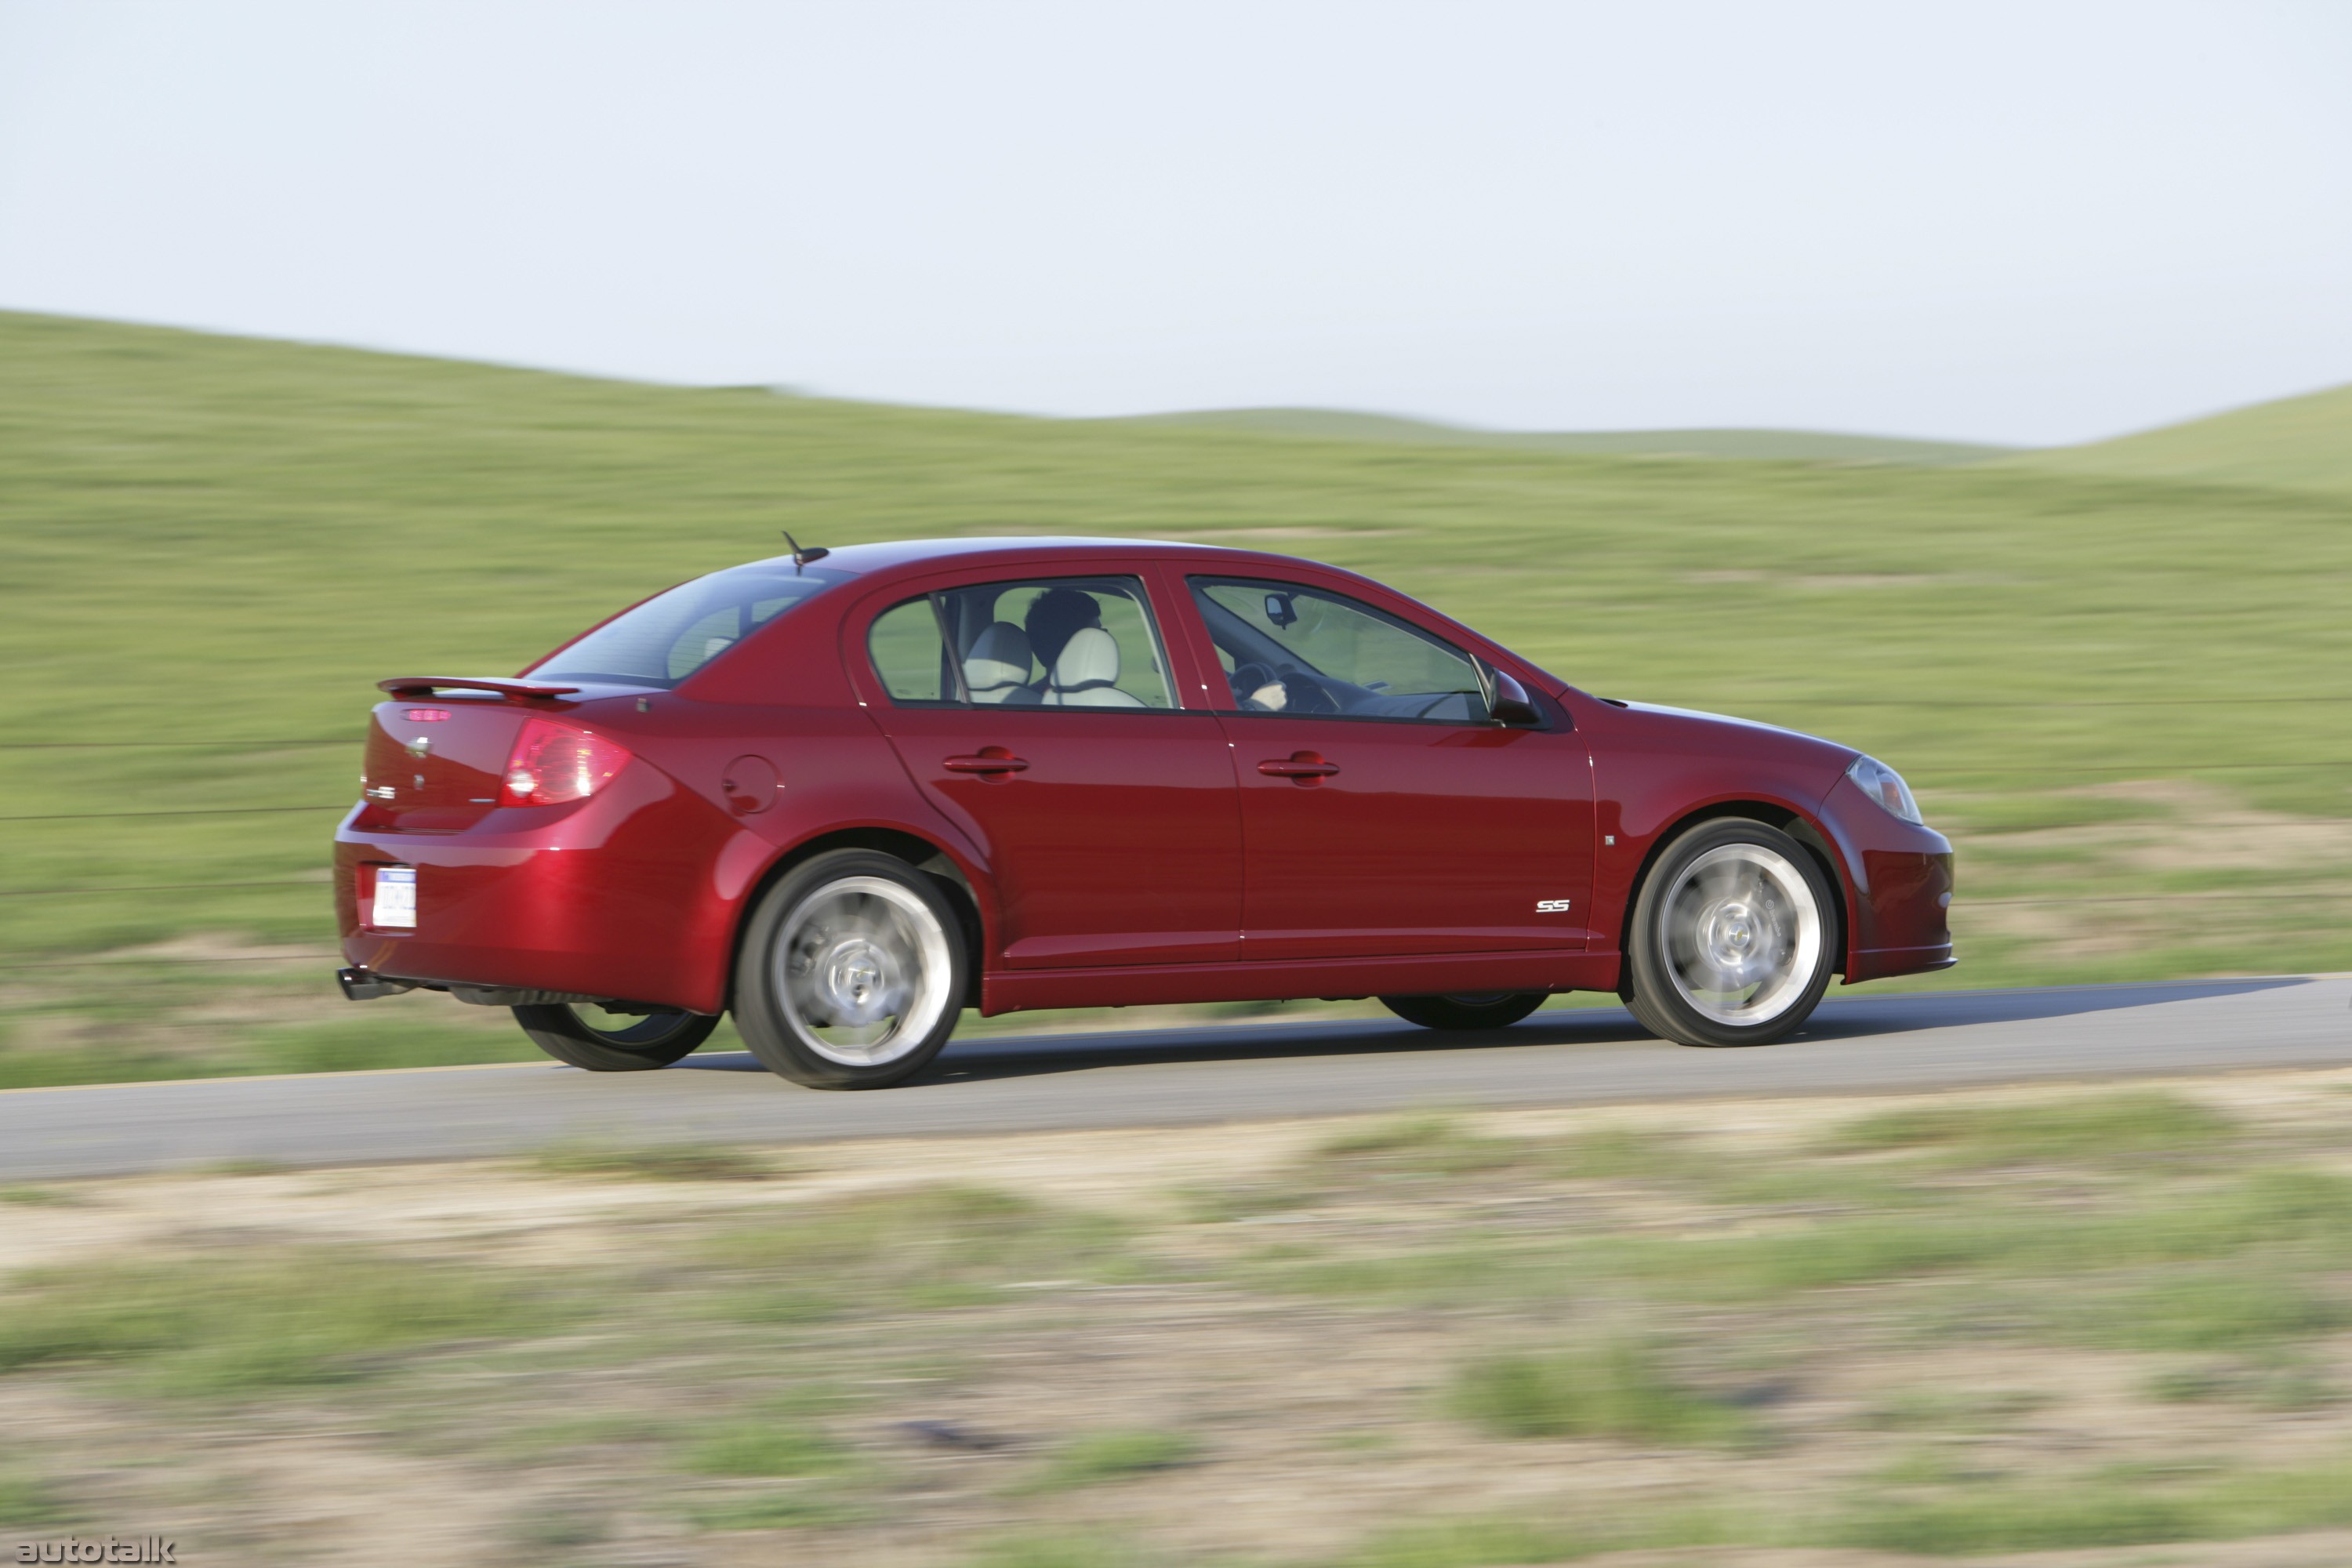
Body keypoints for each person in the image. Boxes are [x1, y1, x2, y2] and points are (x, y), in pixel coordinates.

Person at [1022, 587, 1102, 678]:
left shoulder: (1024, 693)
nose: (1107, 642)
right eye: (1100, 635)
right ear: (1077, 644)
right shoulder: (1102, 693)